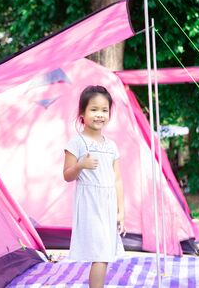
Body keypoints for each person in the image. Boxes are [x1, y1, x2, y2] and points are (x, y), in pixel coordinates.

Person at [63, 85, 126, 288]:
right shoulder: (77, 142)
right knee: (101, 253)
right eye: (94, 109)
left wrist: (121, 211)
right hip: (91, 204)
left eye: (104, 110)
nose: (99, 115)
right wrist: (81, 165)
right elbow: (67, 175)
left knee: (105, 252)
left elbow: (117, 179)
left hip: (108, 204)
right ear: (82, 113)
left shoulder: (111, 146)